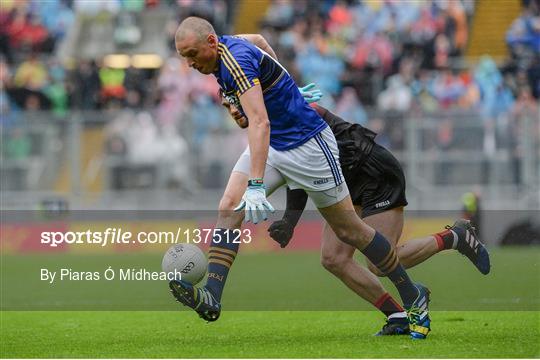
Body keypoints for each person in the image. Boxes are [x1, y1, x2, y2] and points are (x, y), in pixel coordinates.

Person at [170, 16, 430, 339]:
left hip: (308, 146)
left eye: (193, 54)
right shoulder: (225, 49)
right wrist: (283, 84)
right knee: (228, 206)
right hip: (276, 143)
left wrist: (255, 185)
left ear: (211, 42)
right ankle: (211, 295)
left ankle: (412, 294)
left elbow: (259, 123)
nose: (191, 63)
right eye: (185, 57)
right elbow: (261, 41)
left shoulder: (233, 60)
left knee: (351, 231)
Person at [223, 93, 491, 336]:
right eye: (226, 105)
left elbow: (304, 160)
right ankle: (398, 316)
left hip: (374, 174)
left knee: (379, 263)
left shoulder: (292, 111)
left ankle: (455, 236)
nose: (232, 110)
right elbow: (299, 172)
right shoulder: (268, 126)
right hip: (346, 182)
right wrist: (289, 222)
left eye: (234, 102)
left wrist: (290, 221)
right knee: (333, 258)